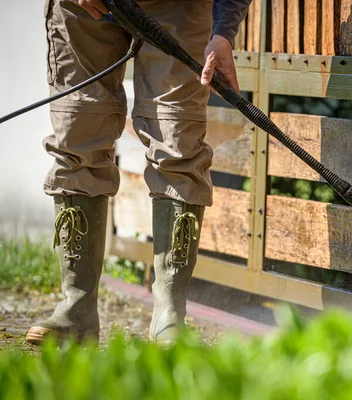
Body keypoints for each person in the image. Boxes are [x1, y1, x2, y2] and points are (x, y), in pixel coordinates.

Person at [26, 0, 252, 346]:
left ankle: (169, 314)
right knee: (76, 137)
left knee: (179, 144)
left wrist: (224, 32)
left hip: (178, 7)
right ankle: (77, 309)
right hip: (81, 11)